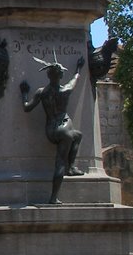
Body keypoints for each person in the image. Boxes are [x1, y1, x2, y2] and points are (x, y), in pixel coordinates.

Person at [20, 55, 85, 204]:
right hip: (64, 128)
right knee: (60, 162)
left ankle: (72, 167)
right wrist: (78, 67)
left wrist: (24, 93)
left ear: (49, 75)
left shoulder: (42, 92)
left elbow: (27, 107)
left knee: (78, 136)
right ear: (61, 75)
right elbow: (76, 79)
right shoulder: (65, 90)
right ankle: (53, 197)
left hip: (50, 130)